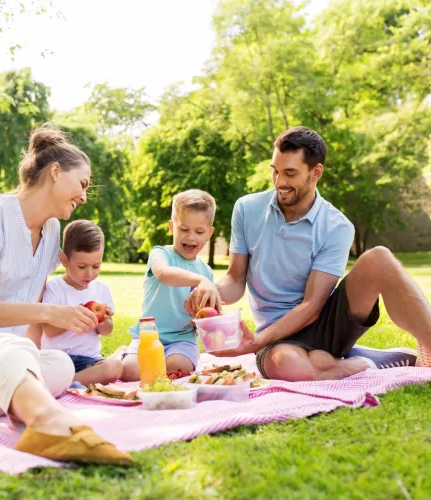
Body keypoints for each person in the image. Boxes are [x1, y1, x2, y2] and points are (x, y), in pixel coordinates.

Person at [0, 124, 132, 465]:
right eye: (81, 184)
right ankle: (47, 424)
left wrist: (31, 347)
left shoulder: (53, 232)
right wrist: (49, 314)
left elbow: (30, 310)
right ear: (55, 172)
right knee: (10, 352)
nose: (84, 196)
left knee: (58, 366)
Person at [186, 126, 426, 382]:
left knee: (379, 258)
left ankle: (429, 346)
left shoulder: (337, 226)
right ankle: (362, 362)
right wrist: (210, 290)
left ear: (316, 172)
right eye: (275, 171)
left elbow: (312, 305)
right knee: (288, 366)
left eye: (290, 173)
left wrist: (255, 343)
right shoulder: (246, 209)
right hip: (278, 335)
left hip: (326, 324)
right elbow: (235, 279)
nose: (280, 182)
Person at [121, 189, 222, 381]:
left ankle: (161, 362)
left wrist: (201, 319)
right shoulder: (160, 254)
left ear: (209, 233)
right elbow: (164, 274)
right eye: (184, 229)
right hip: (149, 335)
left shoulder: (206, 272)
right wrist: (201, 281)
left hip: (182, 340)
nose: (191, 237)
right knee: (130, 373)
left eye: (199, 232)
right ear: (171, 227)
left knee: (175, 368)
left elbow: (205, 316)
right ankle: (124, 353)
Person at [39, 219, 123, 386]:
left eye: (96, 266)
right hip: (59, 359)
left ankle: (67, 383)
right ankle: (67, 382)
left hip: (89, 361)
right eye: (82, 266)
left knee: (114, 367)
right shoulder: (54, 289)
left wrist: (103, 321)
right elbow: (48, 331)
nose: (89, 274)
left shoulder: (101, 289)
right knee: (49, 368)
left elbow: (106, 331)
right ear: (64, 260)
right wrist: (71, 318)